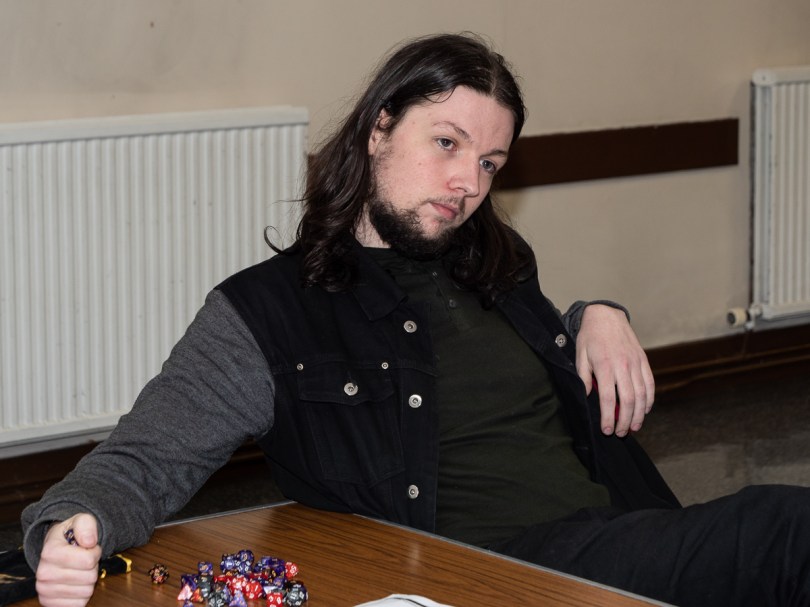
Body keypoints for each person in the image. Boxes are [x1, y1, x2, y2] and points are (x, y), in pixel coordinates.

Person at [21, 32, 810, 607]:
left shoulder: (496, 264)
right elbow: (145, 456)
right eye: (446, 143)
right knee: (782, 528)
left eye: (490, 163)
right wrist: (70, 525)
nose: (468, 182)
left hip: (617, 532)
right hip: (498, 570)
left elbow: (526, 360)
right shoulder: (267, 312)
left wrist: (594, 314)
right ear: (378, 131)